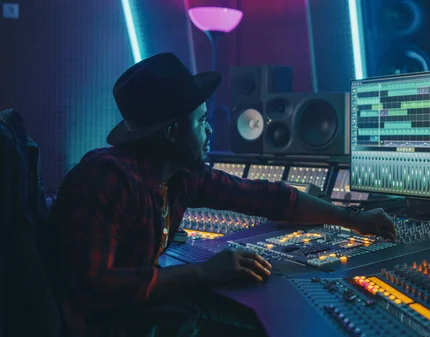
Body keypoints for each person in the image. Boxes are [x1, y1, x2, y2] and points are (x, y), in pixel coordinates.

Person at [46, 53, 396, 337]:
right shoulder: (107, 179)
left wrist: (354, 220)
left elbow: (268, 197)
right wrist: (203, 273)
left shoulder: (180, 175)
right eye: (200, 121)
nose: (210, 128)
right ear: (171, 132)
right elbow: (94, 286)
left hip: (140, 310)